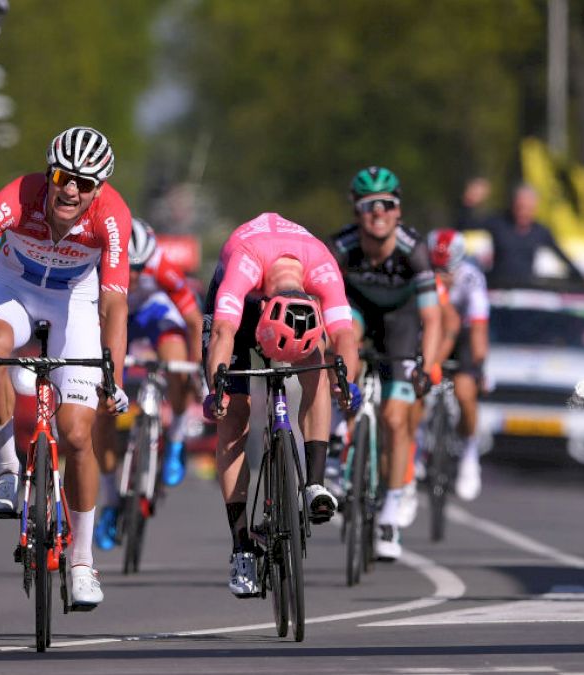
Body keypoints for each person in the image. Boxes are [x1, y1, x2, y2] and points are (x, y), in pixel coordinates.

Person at [0, 126, 131, 610]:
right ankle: (7, 467)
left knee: (78, 433)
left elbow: (114, 305)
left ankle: (82, 561)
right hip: (14, 288)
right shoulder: (19, 196)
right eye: (63, 177)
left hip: (76, 302)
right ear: (49, 173)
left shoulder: (112, 217)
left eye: (84, 184)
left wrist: (114, 377)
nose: (71, 190)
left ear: (98, 189)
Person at [201, 212, 361, 597]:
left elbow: (344, 335)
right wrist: (217, 390)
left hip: (296, 301)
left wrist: (347, 384)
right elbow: (223, 331)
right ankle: (241, 547)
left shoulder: (322, 266)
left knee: (320, 369)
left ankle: (315, 483)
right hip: (242, 309)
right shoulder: (244, 262)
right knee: (234, 415)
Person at [330, 166, 443, 561]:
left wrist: (426, 366)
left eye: (387, 205)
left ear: (399, 210)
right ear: (356, 211)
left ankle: (391, 512)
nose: (378, 213)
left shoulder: (414, 250)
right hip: (357, 314)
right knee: (342, 342)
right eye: (368, 206)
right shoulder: (341, 247)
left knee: (397, 418)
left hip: (401, 323)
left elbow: (432, 319)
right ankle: (333, 439)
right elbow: (323, 305)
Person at [92, 218, 204, 550]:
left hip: (154, 314)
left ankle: (178, 437)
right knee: (103, 404)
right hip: (113, 313)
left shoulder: (161, 266)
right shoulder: (99, 262)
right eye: (131, 267)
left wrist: (195, 370)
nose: (137, 274)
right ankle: (111, 501)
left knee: (176, 355)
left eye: (142, 268)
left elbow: (194, 320)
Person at [426, 229, 489, 501]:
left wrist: (479, 365)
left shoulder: (472, 278)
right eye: (437, 268)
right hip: (431, 329)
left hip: (463, 334)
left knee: (465, 393)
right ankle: (418, 447)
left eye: (448, 269)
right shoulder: (423, 275)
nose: (444, 276)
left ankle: (469, 454)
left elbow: (478, 327)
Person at [471, 184, 584, 288]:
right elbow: (465, 224)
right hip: (498, 287)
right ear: (513, 205)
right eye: (520, 207)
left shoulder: (540, 231)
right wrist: (469, 202)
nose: (523, 212)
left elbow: (563, 258)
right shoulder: (498, 223)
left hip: (525, 289)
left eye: (528, 208)